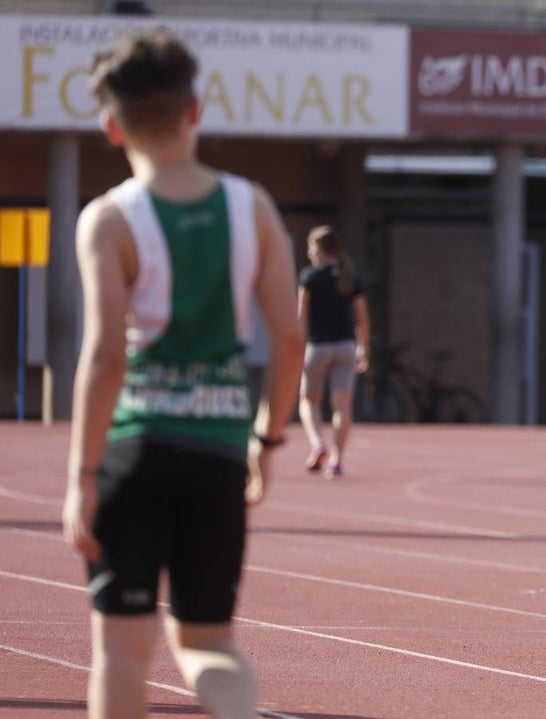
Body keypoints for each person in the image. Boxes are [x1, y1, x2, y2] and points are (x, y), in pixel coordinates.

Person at [62, 27, 304, 718]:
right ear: (195, 109)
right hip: (218, 453)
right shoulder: (250, 206)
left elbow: (107, 355)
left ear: (111, 127)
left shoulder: (107, 220)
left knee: (120, 653)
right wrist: (268, 438)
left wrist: (82, 479)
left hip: (134, 452)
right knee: (208, 640)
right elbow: (288, 339)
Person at [297, 225, 370, 479]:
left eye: (310, 246)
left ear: (318, 249)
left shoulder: (310, 277)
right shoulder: (349, 277)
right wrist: (364, 347)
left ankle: (317, 443)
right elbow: (362, 318)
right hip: (346, 346)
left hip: (318, 346)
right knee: (342, 406)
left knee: (309, 401)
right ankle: (337, 461)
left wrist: (296, 347)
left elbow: (301, 317)